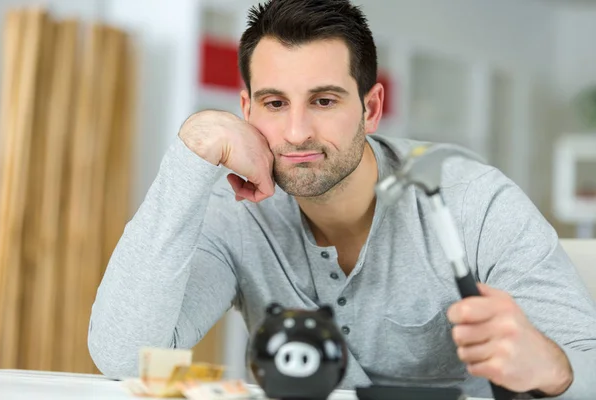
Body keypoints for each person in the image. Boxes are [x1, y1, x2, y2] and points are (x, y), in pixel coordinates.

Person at [88, 0, 596, 398]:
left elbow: (585, 358)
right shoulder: (236, 216)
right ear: (245, 108)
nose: (295, 131)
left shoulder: (473, 202)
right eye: (274, 103)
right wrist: (192, 150)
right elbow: (124, 357)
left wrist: (552, 366)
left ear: (370, 108)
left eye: (324, 101)